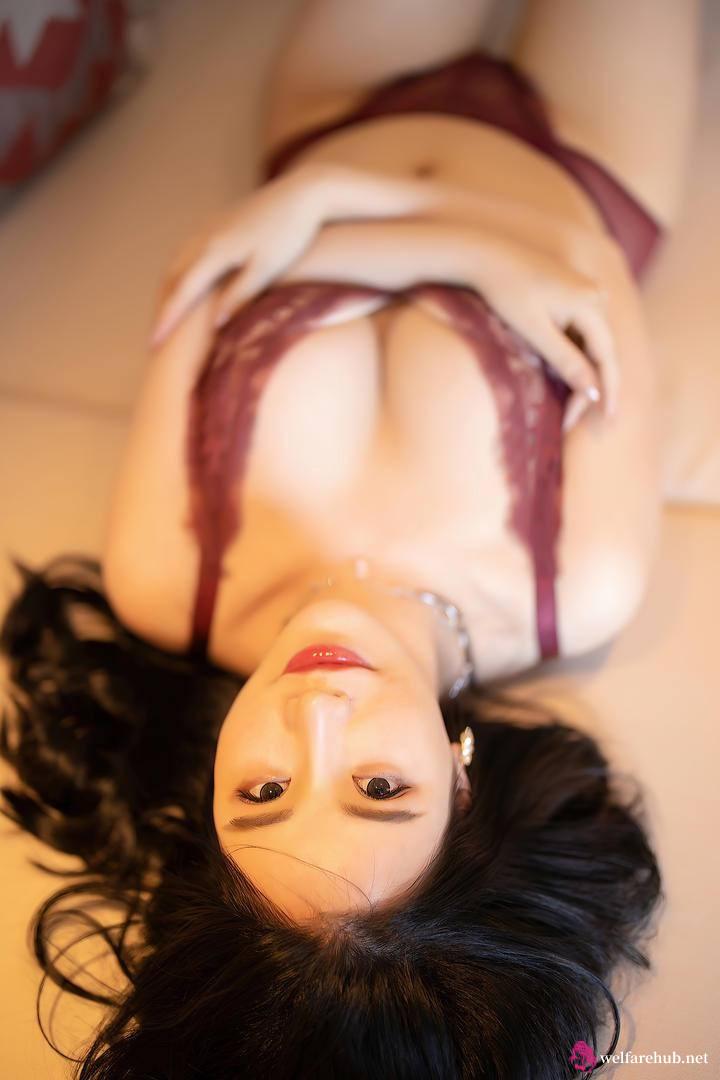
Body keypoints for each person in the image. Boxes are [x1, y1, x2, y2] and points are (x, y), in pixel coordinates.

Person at [0, 1, 697, 1076]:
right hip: (585, 156)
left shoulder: (168, 580)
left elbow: (207, 276)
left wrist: (332, 192)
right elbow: (588, 269)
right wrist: (322, 219)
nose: (315, 715)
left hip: (337, 113)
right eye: (379, 789)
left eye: (262, 794)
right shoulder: (577, 584)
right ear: (461, 787)